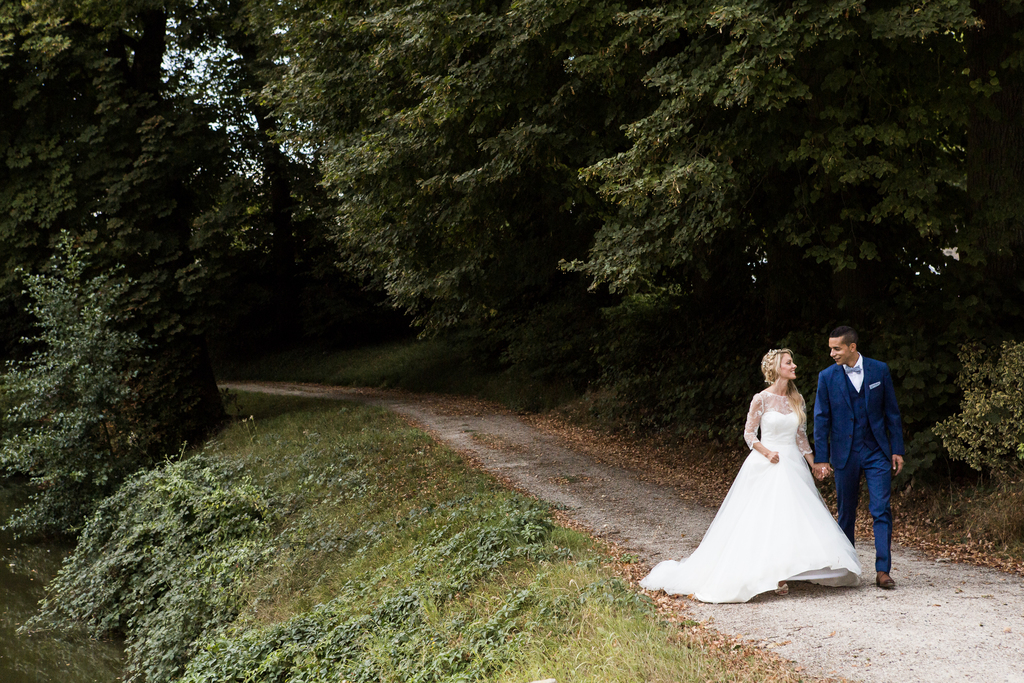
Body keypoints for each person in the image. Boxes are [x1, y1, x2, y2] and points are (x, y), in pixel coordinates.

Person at [640, 349, 860, 603]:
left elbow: (801, 439)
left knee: (792, 519)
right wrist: (767, 453)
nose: (794, 365)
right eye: (789, 362)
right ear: (778, 368)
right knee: (764, 519)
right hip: (767, 463)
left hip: (793, 465)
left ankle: (790, 568)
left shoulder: (797, 398)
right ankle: (773, 574)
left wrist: (815, 464)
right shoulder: (761, 399)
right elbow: (749, 434)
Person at [812, 326, 904, 589]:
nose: (832, 353)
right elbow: (821, 419)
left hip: (876, 451)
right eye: (830, 348)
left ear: (852, 347)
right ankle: (846, 568)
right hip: (844, 453)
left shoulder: (879, 370)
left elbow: (892, 413)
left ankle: (882, 570)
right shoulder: (827, 377)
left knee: (881, 509)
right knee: (846, 512)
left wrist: (897, 449)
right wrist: (821, 458)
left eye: (836, 348)